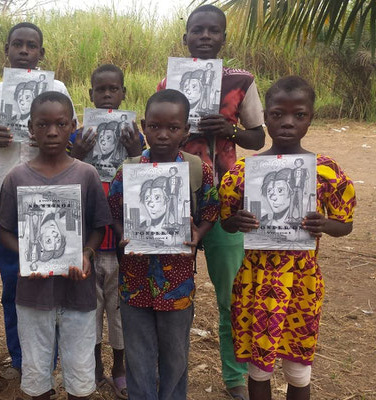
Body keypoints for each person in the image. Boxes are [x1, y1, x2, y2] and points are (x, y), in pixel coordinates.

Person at [220, 76, 355, 400]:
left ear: (311, 117)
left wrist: (324, 225)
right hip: (255, 282)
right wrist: (236, 221)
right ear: (265, 116)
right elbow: (225, 223)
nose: (288, 123)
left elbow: (345, 223)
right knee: (259, 369)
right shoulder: (243, 173)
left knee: (298, 369)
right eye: (278, 114)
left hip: (301, 284)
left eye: (299, 115)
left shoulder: (325, 172)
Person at [157, 6, 266, 397]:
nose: (205, 36)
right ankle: (168, 375)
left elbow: (259, 138)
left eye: (213, 31)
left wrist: (231, 131)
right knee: (169, 294)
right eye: (197, 30)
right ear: (185, 38)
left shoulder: (241, 82)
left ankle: (235, 377)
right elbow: (158, 134)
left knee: (230, 294)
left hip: (225, 201)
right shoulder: (169, 80)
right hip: (176, 199)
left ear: (224, 38)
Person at [0, 21, 77, 379]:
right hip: (10, 192)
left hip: (54, 193)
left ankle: (54, 358)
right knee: (14, 280)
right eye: (16, 44)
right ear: (6, 50)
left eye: (31, 45)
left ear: (41, 52)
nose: (23, 51)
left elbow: (71, 135)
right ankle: (23, 361)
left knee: (54, 279)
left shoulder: (57, 88)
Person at [0, 91, 112, 400]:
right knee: (36, 376)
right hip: (33, 295)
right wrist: (27, 255)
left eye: (61, 124)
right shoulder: (16, 178)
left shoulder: (86, 175)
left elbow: (99, 228)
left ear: (72, 126)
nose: (51, 132)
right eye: (43, 124)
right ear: (30, 128)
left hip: (78, 292)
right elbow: (4, 230)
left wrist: (87, 254)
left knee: (80, 376)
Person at [108, 89, 217, 400]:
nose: (163, 135)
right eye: (155, 126)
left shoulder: (198, 169)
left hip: (178, 284)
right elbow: (113, 211)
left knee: (175, 354)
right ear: (144, 126)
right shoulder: (128, 170)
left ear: (185, 131)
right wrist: (122, 233)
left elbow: (211, 211)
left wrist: (199, 233)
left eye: (173, 128)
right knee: (138, 354)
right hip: (134, 283)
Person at [68, 63, 144, 399]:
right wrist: (78, 153)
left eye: (114, 89)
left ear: (124, 93)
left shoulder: (136, 137)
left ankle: (120, 366)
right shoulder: (78, 136)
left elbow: (145, 176)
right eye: (101, 90)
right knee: (90, 305)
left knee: (118, 307)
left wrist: (135, 152)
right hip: (88, 239)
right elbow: (66, 175)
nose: (108, 95)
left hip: (122, 241)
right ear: (91, 94)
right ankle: (95, 362)